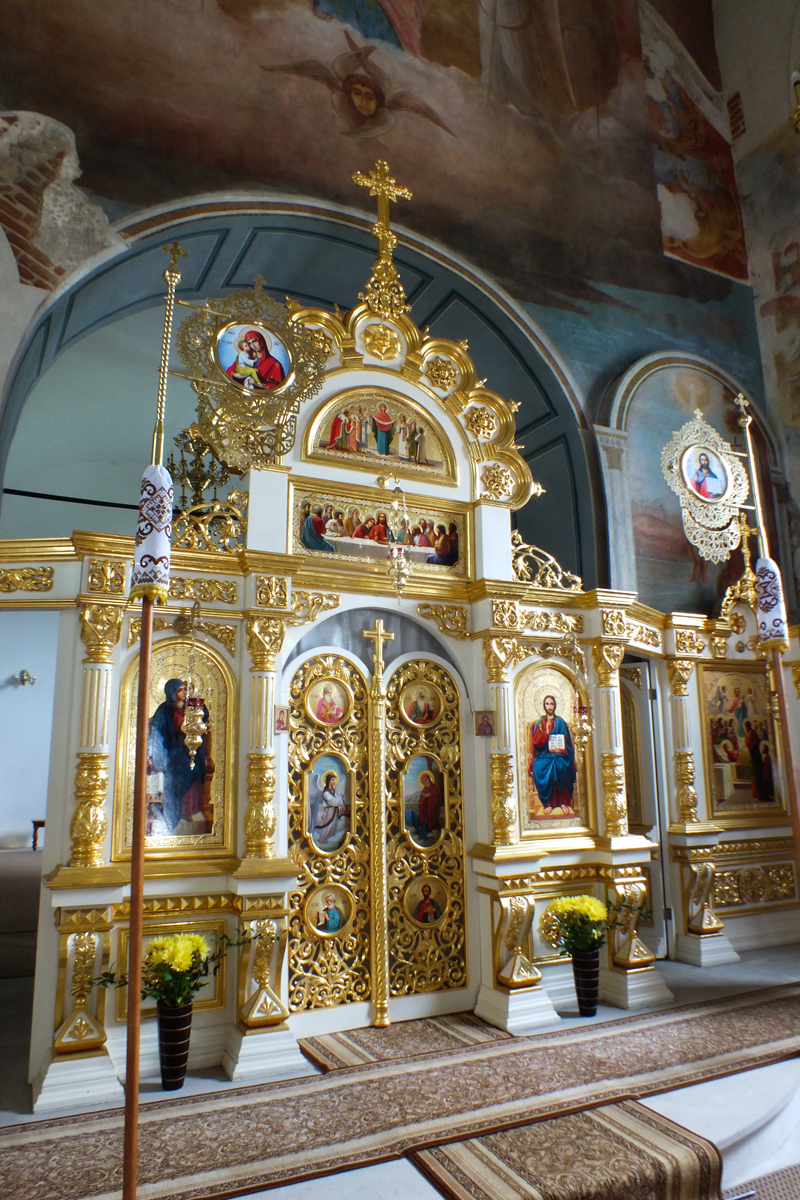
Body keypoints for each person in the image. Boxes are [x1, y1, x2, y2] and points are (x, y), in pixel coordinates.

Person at [147, 679, 213, 833]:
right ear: (172, 692)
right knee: (176, 775)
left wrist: (197, 707)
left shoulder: (191, 707)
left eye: (185, 689)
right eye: (180, 690)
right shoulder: (165, 709)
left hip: (190, 750)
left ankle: (189, 810)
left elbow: (203, 720)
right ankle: (174, 813)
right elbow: (157, 728)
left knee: (195, 768)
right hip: (172, 751)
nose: (184, 692)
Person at [530, 695, 576, 813]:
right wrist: (546, 734)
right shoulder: (540, 722)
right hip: (544, 754)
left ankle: (563, 802)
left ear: (555, 705)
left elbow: (567, 742)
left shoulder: (560, 721)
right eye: (547, 704)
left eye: (551, 704)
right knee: (540, 766)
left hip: (560, 754)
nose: (549, 706)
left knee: (561, 765)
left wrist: (562, 750)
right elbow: (536, 742)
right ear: (544, 706)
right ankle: (548, 803)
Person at [744, 720, 768, 802]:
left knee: (756, 774)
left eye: (746, 727)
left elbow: (748, 744)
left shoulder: (751, 733)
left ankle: (759, 795)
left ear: (747, 726)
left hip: (755, 756)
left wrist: (746, 737)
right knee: (754, 774)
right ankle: (756, 794)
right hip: (754, 756)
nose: (746, 728)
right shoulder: (751, 732)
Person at [417, 770, 441, 840]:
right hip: (427, 808)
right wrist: (424, 797)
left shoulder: (434, 787)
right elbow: (422, 797)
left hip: (433, 807)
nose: (425, 782)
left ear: (429, 779)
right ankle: (428, 831)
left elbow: (436, 796)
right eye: (424, 781)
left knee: (434, 818)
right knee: (427, 819)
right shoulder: (425, 789)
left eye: (426, 780)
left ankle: (435, 831)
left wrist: (430, 796)